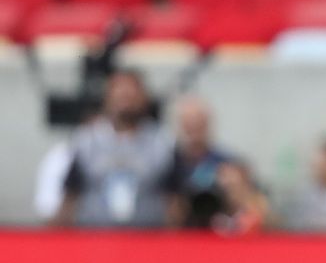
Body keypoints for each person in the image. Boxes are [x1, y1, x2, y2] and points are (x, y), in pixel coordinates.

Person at [54, 70, 180, 228]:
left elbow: (173, 199)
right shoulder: (86, 141)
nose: (125, 98)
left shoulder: (162, 144)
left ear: (144, 98)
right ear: (107, 99)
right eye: (120, 93)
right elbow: (70, 195)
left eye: (131, 94)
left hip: (147, 238)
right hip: (94, 236)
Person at [168, 96, 235, 228]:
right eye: (189, 123)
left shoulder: (226, 163)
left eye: (199, 123)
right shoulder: (171, 164)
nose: (194, 128)